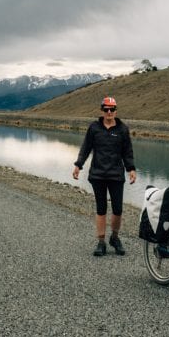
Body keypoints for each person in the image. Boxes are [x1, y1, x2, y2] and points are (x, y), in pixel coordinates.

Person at [72, 96, 137, 256]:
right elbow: (86, 147)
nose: (109, 112)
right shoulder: (94, 127)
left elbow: (127, 152)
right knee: (101, 209)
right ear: (102, 110)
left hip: (116, 175)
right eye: (106, 109)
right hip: (98, 175)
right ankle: (101, 242)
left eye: (112, 109)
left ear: (116, 111)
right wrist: (78, 165)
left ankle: (114, 238)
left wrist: (131, 169)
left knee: (118, 209)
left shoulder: (123, 129)